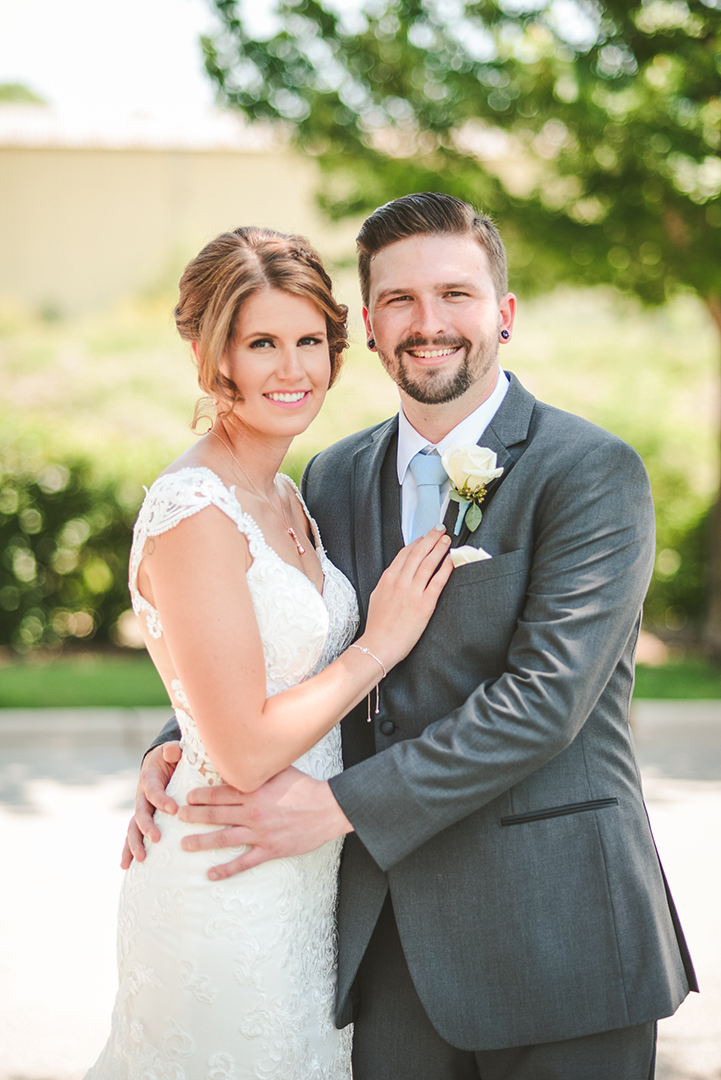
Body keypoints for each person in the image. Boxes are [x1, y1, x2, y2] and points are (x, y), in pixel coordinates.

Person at [128, 195, 697, 1080]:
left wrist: (341, 805)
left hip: (558, 933)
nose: (429, 324)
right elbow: (298, 634)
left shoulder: (588, 471)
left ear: (502, 315)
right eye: (399, 300)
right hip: (385, 943)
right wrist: (183, 744)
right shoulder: (333, 473)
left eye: (455, 295)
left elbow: (545, 700)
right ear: (368, 324)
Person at [85, 226, 453, 1080]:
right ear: (211, 354)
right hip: (225, 881)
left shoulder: (288, 491)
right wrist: (378, 645)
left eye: (308, 342)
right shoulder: (195, 510)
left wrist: (175, 742)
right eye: (261, 344)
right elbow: (245, 748)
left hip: (306, 885)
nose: (292, 370)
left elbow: (237, 680)